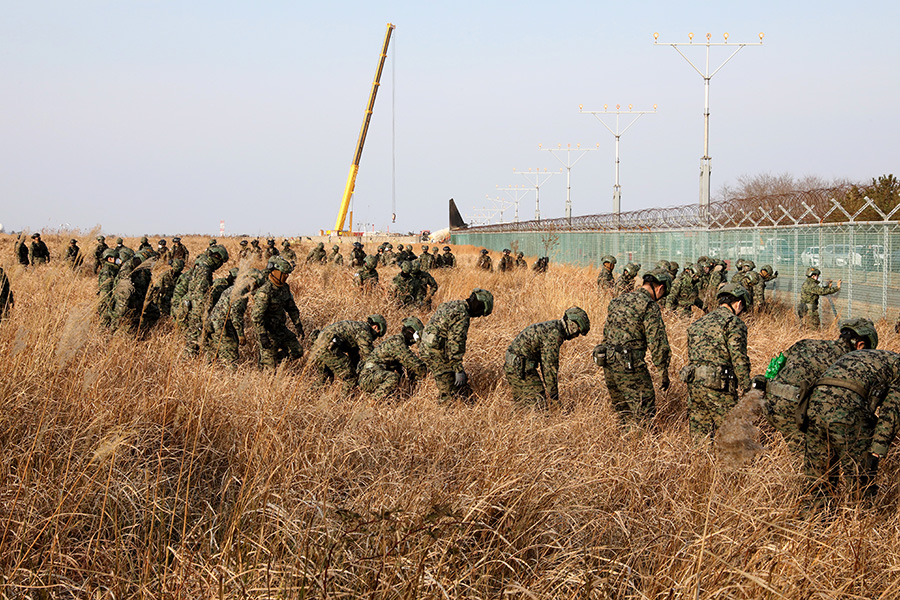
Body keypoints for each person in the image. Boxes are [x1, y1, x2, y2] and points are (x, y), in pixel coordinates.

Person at [761, 318, 877, 455]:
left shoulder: (805, 343)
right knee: (810, 461)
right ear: (860, 345)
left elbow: (775, 367)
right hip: (794, 411)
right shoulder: (848, 365)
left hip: (768, 402)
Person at [802, 347, 900, 503]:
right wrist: (876, 450)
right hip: (848, 411)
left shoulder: (864, 355)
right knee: (860, 483)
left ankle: (812, 521)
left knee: (817, 481)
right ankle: (862, 519)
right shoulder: (898, 366)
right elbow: (891, 413)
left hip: (814, 406)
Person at [595, 269, 672, 424]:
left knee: (623, 413)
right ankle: (640, 445)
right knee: (644, 412)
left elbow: (607, 334)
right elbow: (657, 342)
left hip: (609, 363)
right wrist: (663, 371)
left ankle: (626, 444)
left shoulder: (617, 301)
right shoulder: (649, 305)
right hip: (630, 365)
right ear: (660, 288)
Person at [682, 283, 751, 439]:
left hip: (694, 384)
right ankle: (738, 463)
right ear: (739, 303)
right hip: (719, 385)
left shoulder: (698, 323)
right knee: (732, 433)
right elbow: (739, 359)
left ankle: (699, 461)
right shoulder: (733, 323)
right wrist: (747, 386)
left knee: (700, 435)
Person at [505, 307, 590, 410]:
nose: (576, 336)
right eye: (578, 331)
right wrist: (554, 398)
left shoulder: (553, 326)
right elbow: (549, 368)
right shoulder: (554, 334)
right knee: (538, 404)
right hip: (520, 367)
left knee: (523, 406)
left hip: (515, 365)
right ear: (572, 324)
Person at [420, 288, 493, 403]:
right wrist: (458, 369)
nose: (479, 316)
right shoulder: (462, 315)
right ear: (479, 305)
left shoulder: (451, 304)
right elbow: (456, 343)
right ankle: (444, 415)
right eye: (481, 312)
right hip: (435, 352)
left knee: (460, 386)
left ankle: (471, 406)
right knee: (448, 392)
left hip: (427, 347)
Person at [307, 314, 386, 393]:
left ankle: (309, 397)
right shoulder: (364, 332)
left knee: (324, 379)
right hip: (329, 348)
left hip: (318, 347)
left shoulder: (356, 327)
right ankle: (341, 403)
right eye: (377, 334)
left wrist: (357, 368)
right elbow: (369, 357)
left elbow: (353, 354)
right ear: (375, 327)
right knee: (350, 378)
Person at [251, 257, 305, 369]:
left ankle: (275, 360)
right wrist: (262, 335)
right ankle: (267, 364)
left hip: (280, 328)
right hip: (268, 332)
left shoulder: (284, 288)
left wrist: (298, 325)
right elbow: (256, 317)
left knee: (298, 351)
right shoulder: (265, 291)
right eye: (284, 274)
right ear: (276, 272)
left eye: (287, 274)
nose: (286, 276)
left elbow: (291, 308)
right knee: (269, 369)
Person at [207, 269, 266, 366]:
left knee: (214, 353)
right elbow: (235, 314)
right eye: (256, 286)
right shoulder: (241, 293)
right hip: (222, 325)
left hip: (215, 322)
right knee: (231, 357)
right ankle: (229, 377)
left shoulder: (235, 288)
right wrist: (240, 335)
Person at [359, 316, 428, 399]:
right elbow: (417, 366)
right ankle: (373, 402)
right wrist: (421, 345)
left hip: (373, 376)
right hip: (368, 378)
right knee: (393, 378)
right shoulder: (397, 344)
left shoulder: (398, 341)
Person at [183, 245, 229, 356]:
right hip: (198, 308)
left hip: (192, 303)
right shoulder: (205, 269)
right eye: (221, 261)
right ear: (217, 257)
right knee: (195, 334)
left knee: (193, 333)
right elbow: (200, 294)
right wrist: (205, 312)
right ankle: (189, 358)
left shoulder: (200, 264)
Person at [97, 249, 121, 327]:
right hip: (106, 301)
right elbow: (105, 290)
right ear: (109, 258)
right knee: (105, 321)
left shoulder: (113, 269)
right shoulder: (107, 271)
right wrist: (110, 304)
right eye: (115, 258)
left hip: (110, 298)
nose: (118, 260)